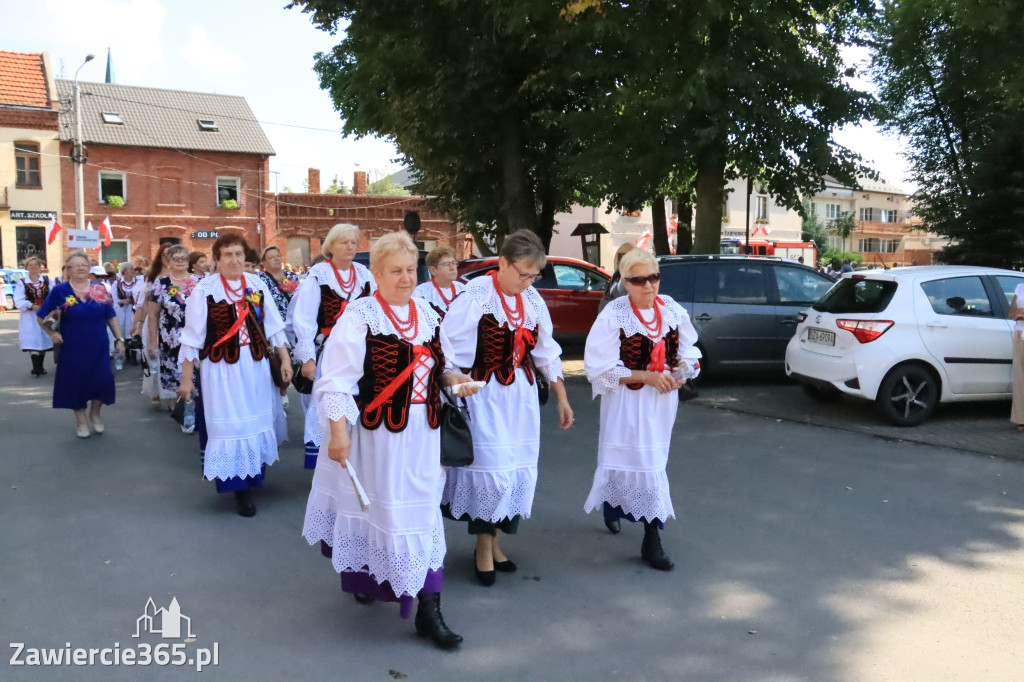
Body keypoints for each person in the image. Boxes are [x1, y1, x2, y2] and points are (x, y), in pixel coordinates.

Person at [302, 231, 478, 649]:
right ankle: (371, 576)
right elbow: (336, 383)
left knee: (424, 518)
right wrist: (339, 436)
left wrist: (455, 379)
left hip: (425, 434)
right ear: (376, 274)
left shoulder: (429, 313)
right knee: (382, 514)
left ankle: (428, 610)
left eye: (410, 270)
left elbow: (444, 364)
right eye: (395, 270)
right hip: (378, 439)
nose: (404, 278)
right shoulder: (360, 315)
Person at [440, 229, 574, 586]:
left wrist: (561, 396)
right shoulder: (476, 296)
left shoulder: (532, 301)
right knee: (493, 471)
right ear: (503, 263)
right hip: (485, 395)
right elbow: (446, 345)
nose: (528, 281)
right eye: (523, 273)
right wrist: (453, 380)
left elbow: (546, 351)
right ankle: (483, 546)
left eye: (534, 275)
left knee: (514, 472)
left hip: (521, 398)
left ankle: (495, 542)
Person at [583, 248, 701, 570]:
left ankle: (650, 536)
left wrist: (682, 372)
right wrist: (646, 376)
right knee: (625, 462)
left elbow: (690, 353)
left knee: (651, 464)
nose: (648, 286)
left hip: (660, 404)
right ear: (625, 282)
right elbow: (598, 367)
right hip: (626, 402)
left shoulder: (672, 311)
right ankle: (632, 523)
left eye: (653, 277)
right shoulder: (614, 315)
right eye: (638, 280)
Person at [177, 234, 292, 517]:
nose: (235, 260)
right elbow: (191, 338)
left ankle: (254, 478)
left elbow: (274, 326)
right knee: (233, 428)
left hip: (255, 368)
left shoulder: (256, 284)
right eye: (227, 255)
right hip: (221, 371)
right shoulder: (204, 290)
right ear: (216, 260)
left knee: (255, 423)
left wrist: (286, 359)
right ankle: (239, 489)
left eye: (239, 254)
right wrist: (186, 379)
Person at [292, 223, 376, 469]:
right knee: (330, 401)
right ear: (331, 246)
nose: (350, 246)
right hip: (330, 352)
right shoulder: (320, 274)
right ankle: (325, 464)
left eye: (353, 241)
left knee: (360, 400)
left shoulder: (364, 274)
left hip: (362, 351)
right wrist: (307, 359)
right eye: (344, 242)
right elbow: (305, 317)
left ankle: (356, 458)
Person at [36, 250, 125, 438]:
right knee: (75, 383)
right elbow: (41, 316)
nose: (81, 269)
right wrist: (51, 333)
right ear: (68, 269)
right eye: (76, 266)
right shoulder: (60, 291)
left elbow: (111, 316)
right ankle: (81, 420)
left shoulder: (99, 288)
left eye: (84, 265)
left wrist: (120, 339)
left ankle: (95, 413)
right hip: (72, 347)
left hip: (99, 346)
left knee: (102, 381)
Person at [148, 245, 201, 414]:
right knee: (173, 377)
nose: (180, 261)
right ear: (168, 262)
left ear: (188, 262)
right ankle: (179, 410)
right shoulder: (161, 283)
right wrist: (152, 341)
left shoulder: (199, 282)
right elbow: (153, 315)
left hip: (195, 338)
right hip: (170, 340)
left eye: (183, 258)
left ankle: (192, 410)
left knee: (195, 375)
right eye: (175, 258)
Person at [133, 244, 170, 407]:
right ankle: (154, 391)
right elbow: (144, 304)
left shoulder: (183, 277)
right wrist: (139, 325)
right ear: (160, 257)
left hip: (172, 324)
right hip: (153, 323)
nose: (169, 259)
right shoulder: (152, 278)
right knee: (154, 357)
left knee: (170, 359)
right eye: (165, 255)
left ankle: (171, 395)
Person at [14, 256, 54, 376]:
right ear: (26, 267)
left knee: (42, 338)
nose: (33, 267)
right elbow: (18, 300)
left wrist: (49, 306)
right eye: (30, 265)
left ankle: (40, 366)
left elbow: (53, 294)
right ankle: (36, 367)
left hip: (44, 314)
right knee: (32, 339)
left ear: (39, 267)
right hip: (29, 316)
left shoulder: (46, 280)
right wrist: (30, 305)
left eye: (35, 265)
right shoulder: (22, 282)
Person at [413, 245, 465, 317]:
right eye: (447, 264)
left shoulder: (462, 289)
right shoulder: (421, 292)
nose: (452, 268)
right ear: (433, 270)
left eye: (454, 263)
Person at [113, 263, 142, 363]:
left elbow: (141, 295)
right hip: (121, 310)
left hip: (132, 309)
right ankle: (123, 353)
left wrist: (133, 301)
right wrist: (121, 301)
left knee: (132, 330)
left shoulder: (138, 282)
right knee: (120, 329)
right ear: (124, 271)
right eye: (130, 269)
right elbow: (113, 298)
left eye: (133, 269)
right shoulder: (117, 283)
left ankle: (133, 355)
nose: (133, 271)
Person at [1010, 283, 1024, 432]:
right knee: (1020, 378)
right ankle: (1021, 419)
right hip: (1020, 334)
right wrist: (1017, 313)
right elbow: (1012, 311)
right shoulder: (1020, 287)